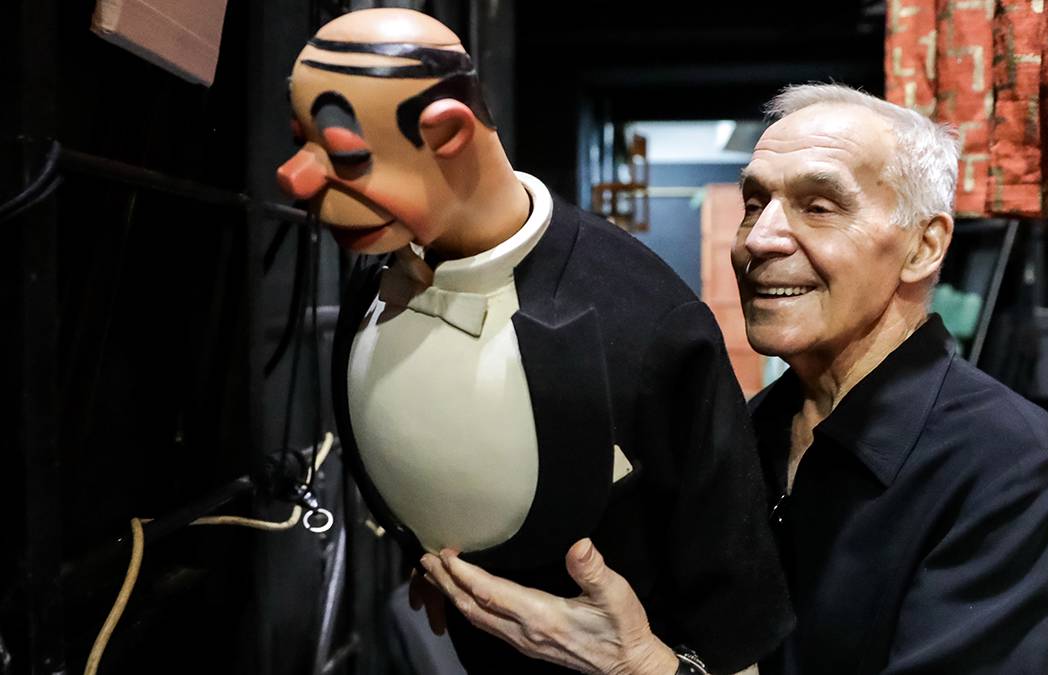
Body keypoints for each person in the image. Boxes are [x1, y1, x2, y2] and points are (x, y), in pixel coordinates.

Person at [422, 84, 1048, 674]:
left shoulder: (998, 458)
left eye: (819, 207)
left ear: (923, 246)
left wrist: (643, 669)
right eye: (754, 204)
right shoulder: (748, 430)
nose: (760, 239)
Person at [277, 9, 794, 674]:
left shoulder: (650, 325)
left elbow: (734, 608)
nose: (295, 178)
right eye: (301, 143)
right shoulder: (373, 277)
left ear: (449, 133)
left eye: (346, 155)